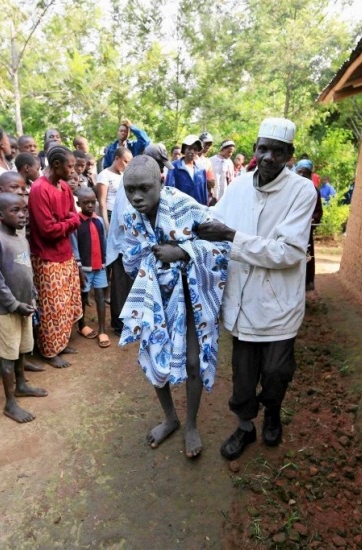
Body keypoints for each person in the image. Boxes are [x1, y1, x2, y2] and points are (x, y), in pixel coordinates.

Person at [197, 118, 317, 460]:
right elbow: (211, 220)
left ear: (289, 155)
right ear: (255, 148)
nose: (267, 157)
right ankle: (246, 426)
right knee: (244, 377)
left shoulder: (301, 191)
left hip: (279, 304)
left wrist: (232, 238)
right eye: (262, 149)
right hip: (243, 302)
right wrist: (180, 235)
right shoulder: (239, 186)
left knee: (278, 372)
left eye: (277, 152)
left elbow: (289, 252)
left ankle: (274, 411)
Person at [119, 156, 230, 458]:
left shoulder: (185, 206)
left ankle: (191, 423)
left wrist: (181, 251)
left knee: (193, 361)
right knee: (157, 358)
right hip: (155, 296)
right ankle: (170, 418)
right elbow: (130, 259)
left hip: (188, 296)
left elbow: (222, 244)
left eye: (144, 188)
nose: (137, 197)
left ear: (161, 182)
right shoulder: (130, 218)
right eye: (130, 190)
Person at [0, 193, 48, 423]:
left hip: (24, 306)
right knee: (8, 356)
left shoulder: (21, 238)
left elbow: (26, 271)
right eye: (15, 211)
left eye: (24, 210)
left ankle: (21, 385)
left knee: (21, 349)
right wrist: (13, 304)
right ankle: (10, 403)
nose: (22, 215)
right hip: (7, 309)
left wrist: (31, 298)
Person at [106, 144, 172, 337]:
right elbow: (123, 216)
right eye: (159, 163)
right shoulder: (132, 179)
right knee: (121, 283)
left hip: (136, 243)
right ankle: (120, 325)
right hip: (125, 242)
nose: (160, 169)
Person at [26, 145, 83, 368]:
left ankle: (61, 342)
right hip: (47, 256)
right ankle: (49, 351)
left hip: (65, 253)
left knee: (67, 302)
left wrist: (67, 221)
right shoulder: (39, 189)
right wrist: (69, 221)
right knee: (51, 307)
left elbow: (74, 216)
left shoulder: (63, 187)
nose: (73, 170)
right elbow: (48, 230)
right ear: (57, 165)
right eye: (70, 166)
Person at [70, 187, 109, 348]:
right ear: (79, 203)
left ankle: (101, 330)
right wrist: (79, 268)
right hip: (84, 268)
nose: (90, 206)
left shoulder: (99, 220)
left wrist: (106, 262)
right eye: (86, 203)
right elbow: (74, 246)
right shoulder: (76, 222)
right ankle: (82, 325)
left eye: (93, 202)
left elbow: (104, 242)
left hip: (99, 267)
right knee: (83, 298)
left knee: (100, 297)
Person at [295, 159, 323, 292]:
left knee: (306, 256)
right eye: (299, 172)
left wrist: (312, 220)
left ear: (310, 175)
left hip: (305, 231)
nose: (301, 175)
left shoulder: (314, 191)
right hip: (288, 229)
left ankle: (306, 283)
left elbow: (318, 211)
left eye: (304, 173)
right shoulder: (288, 189)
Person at [164, 134, 209, 206]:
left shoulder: (201, 169)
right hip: (181, 211)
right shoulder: (174, 167)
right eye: (189, 148)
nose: (192, 151)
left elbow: (204, 193)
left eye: (195, 149)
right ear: (184, 149)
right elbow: (169, 191)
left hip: (198, 210)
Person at [96, 147, 132, 228]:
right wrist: (107, 225)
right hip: (111, 214)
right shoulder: (104, 175)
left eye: (129, 163)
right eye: (125, 162)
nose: (127, 165)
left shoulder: (123, 175)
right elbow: (102, 203)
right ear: (117, 158)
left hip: (123, 214)